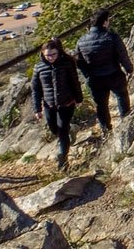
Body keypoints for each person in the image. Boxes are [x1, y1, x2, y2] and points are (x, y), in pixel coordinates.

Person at [75, 9, 134, 136]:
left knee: (101, 105)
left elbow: (79, 62)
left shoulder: (81, 41)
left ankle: (106, 130)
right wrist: (129, 69)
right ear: (105, 22)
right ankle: (126, 123)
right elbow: (122, 55)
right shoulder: (112, 37)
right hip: (113, 73)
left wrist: (88, 75)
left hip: (95, 78)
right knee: (122, 96)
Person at [32, 38, 83, 170]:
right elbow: (36, 89)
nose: (51, 57)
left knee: (61, 131)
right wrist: (37, 108)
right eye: (48, 55)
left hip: (67, 103)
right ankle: (71, 130)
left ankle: (63, 159)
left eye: (53, 54)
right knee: (54, 129)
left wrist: (79, 98)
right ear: (43, 54)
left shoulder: (66, 63)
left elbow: (74, 81)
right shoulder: (38, 68)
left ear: (58, 52)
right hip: (49, 105)